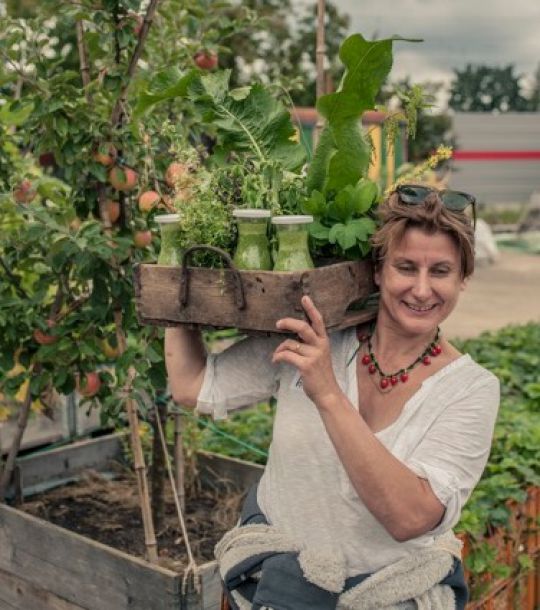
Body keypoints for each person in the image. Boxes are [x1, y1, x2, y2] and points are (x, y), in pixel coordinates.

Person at [164, 185, 500, 610]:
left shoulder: (470, 389)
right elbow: (192, 386)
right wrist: (174, 287)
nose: (420, 289)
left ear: (462, 279)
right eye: (405, 266)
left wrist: (328, 392)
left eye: (440, 271)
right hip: (270, 588)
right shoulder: (318, 339)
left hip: (387, 595)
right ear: (378, 271)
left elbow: (409, 518)